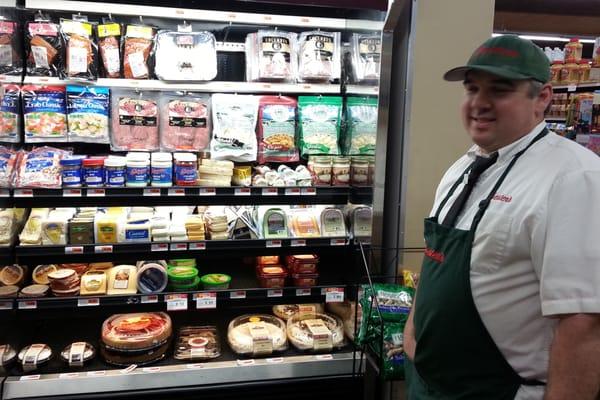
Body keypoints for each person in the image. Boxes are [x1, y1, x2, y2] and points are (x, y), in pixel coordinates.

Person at [402, 35, 600, 400]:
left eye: (500, 90)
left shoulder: (574, 177)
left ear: (542, 98)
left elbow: (583, 325)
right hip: (431, 385)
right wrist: (413, 335)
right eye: (472, 88)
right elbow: (436, 261)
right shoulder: (463, 166)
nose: (479, 103)